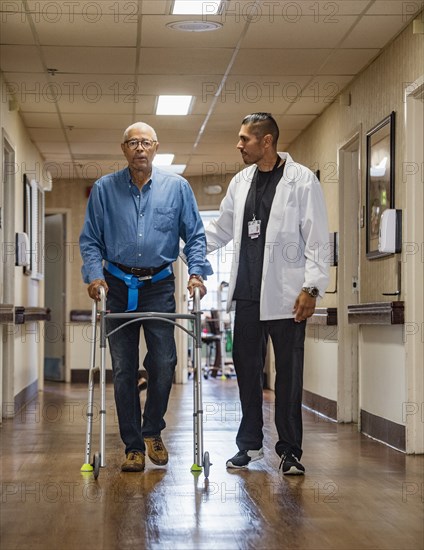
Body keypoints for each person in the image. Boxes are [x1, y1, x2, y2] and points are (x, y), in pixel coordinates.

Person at [80, 122, 211, 472]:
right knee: (123, 368)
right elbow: (90, 240)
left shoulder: (177, 188)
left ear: (155, 147)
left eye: (146, 142)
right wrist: (94, 277)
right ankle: (133, 446)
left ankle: (152, 429)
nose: (140, 148)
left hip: (159, 285)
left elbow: (195, 236)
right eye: (133, 142)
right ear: (123, 149)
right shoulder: (105, 190)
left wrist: (196, 273)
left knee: (164, 361)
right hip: (116, 285)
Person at [205, 113, 329, 475]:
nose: (239, 145)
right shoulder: (240, 182)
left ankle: (290, 450)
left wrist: (311, 288)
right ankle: (250, 446)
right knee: (247, 373)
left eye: (245, 139)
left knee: (288, 376)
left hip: (289, 296)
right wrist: (188, 250)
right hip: (247, 295)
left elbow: (318, 239)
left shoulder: (302, 181)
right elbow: (221, 229)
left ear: (267, 141)